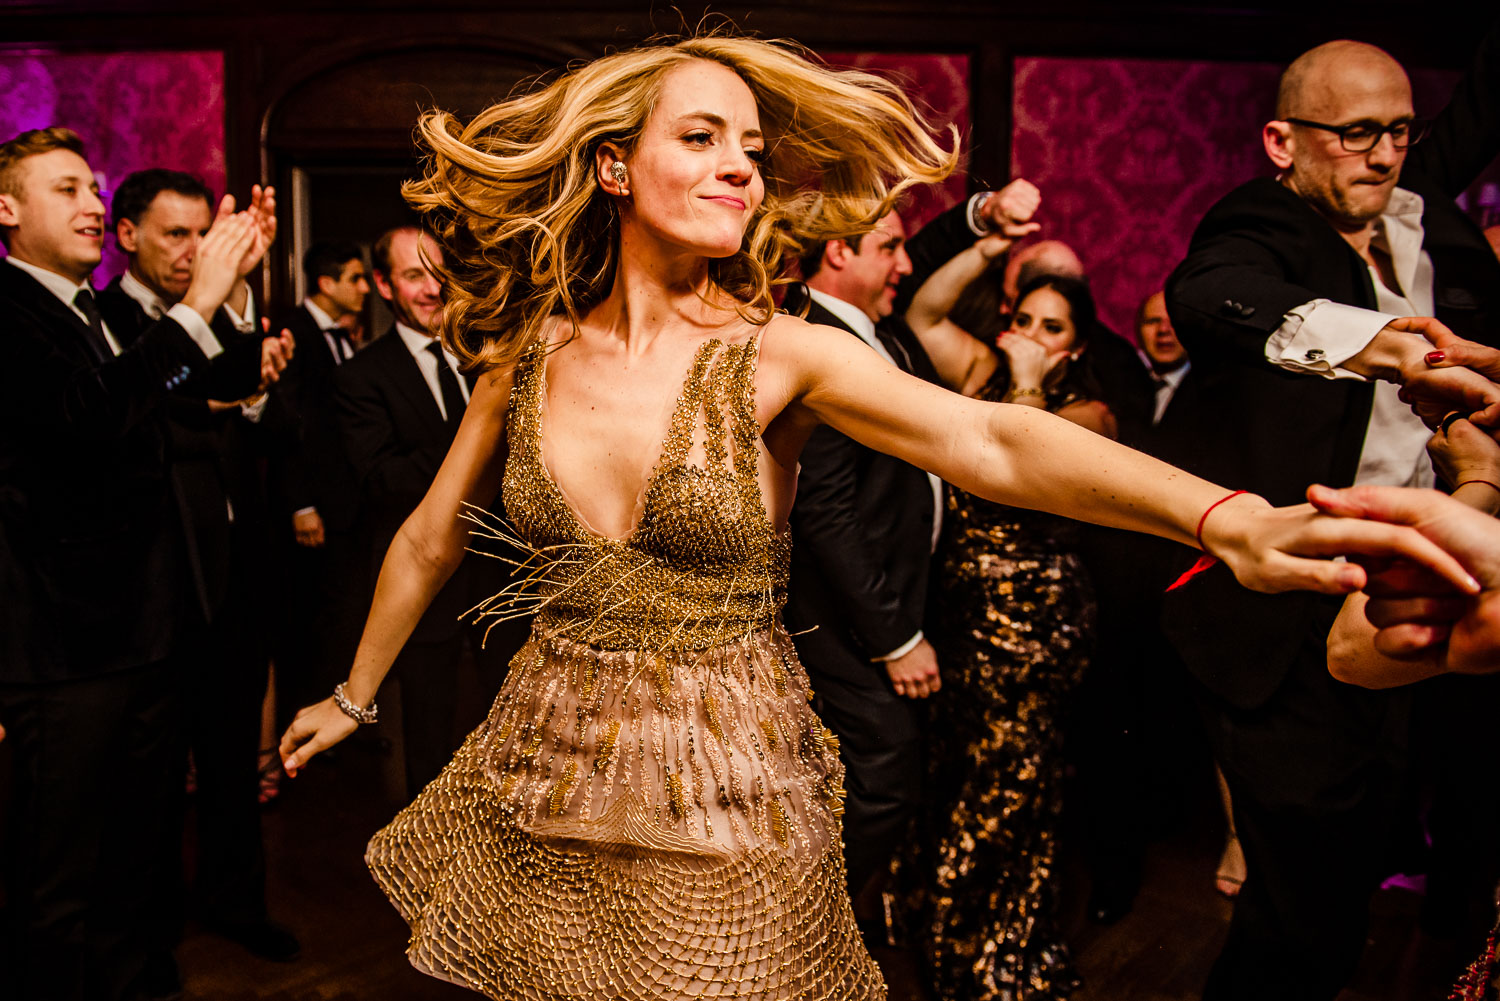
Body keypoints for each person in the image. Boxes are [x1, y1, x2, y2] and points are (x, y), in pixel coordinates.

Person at [275, 34, 1487, 1000]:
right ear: (610, 165)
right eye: (700, 137)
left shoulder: (779, 357)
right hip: (550, 767)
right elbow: (434, 531)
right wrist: (351, 692)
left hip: (727, 784)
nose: (740, 166)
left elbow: (991, 437)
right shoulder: (524, 360)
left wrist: (1223, 519)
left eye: (749, 145)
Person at [1162, 27, 1500, 1000]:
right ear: (1282, 142)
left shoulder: (1417, 206)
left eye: (1399, 130)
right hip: (1286, 609)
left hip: (1428, 587)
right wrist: (1382, 343)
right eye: (1357, 133)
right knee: (1305, 897)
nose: (1384, 152)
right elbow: (1212, 294)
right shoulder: (1261, 223)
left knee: (1380, 853)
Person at [0, 126, 289, 1001]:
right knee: (57, 874)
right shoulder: (6, 309)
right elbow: (91, 414)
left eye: (93, 185)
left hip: (137, 627)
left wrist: (223, 294)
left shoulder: (77, 308)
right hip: (62, 644)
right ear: (5, 211)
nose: (92, 202)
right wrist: (201, 303)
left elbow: (189, 407)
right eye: (65, 189)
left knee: (129, 847)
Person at [781, 179, 1037, 900]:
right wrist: (894, 638)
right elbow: (823, 512)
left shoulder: (874, 329)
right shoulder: (815, 344)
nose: (903, 265)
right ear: (837, 252)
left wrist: (978, 217)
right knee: (886, 775)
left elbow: (916, 259)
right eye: (887, 247)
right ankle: (792, 922)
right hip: (842, 615)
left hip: (897, 595)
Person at [891, 220, 1110, 996]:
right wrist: (988, 244)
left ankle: (992, 946)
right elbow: (922, 312)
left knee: (1011, 779)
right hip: (962, 615)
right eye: (1024, 319)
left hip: (1035, 623)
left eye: (1052, 329)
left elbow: (1023, 470)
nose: (1030, 336)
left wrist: (1024, 378)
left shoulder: (1089, 415)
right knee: (958, 765)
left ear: (1075, 348)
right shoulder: (979, 366)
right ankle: (944, 932)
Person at [95, 168, 300, 964]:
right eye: (174, 234)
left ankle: (237, 901)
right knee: (145, 780)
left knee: (229, 758)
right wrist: (217, 401)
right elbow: (158, 417)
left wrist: (242, 285)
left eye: (200, 235)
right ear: (128, 236)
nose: (190, 252)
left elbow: (256, 412)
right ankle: (150, 935)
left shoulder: (226, 311)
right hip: (147, 581)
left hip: (231, 575)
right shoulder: (106, 318)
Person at [334, 225, 524, 797]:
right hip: (422, 587)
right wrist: (478, 437)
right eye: (414, 275)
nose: (433, 289)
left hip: (507, 581)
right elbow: (382, 480)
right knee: (429, 734)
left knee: (513, 730)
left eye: (441, 275)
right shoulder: (360, 376)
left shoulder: (491, 357)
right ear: (383, 285)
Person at [265, 241, 370, 723]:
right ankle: (301, 719)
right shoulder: (294, 331)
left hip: (343, 501)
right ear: (326, 284)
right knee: (307, 620)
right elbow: (286, 426)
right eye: (355, 278)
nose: (365, 288)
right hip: (312, 504)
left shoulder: (341, 334)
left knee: (338, 615)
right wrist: (300, 504)